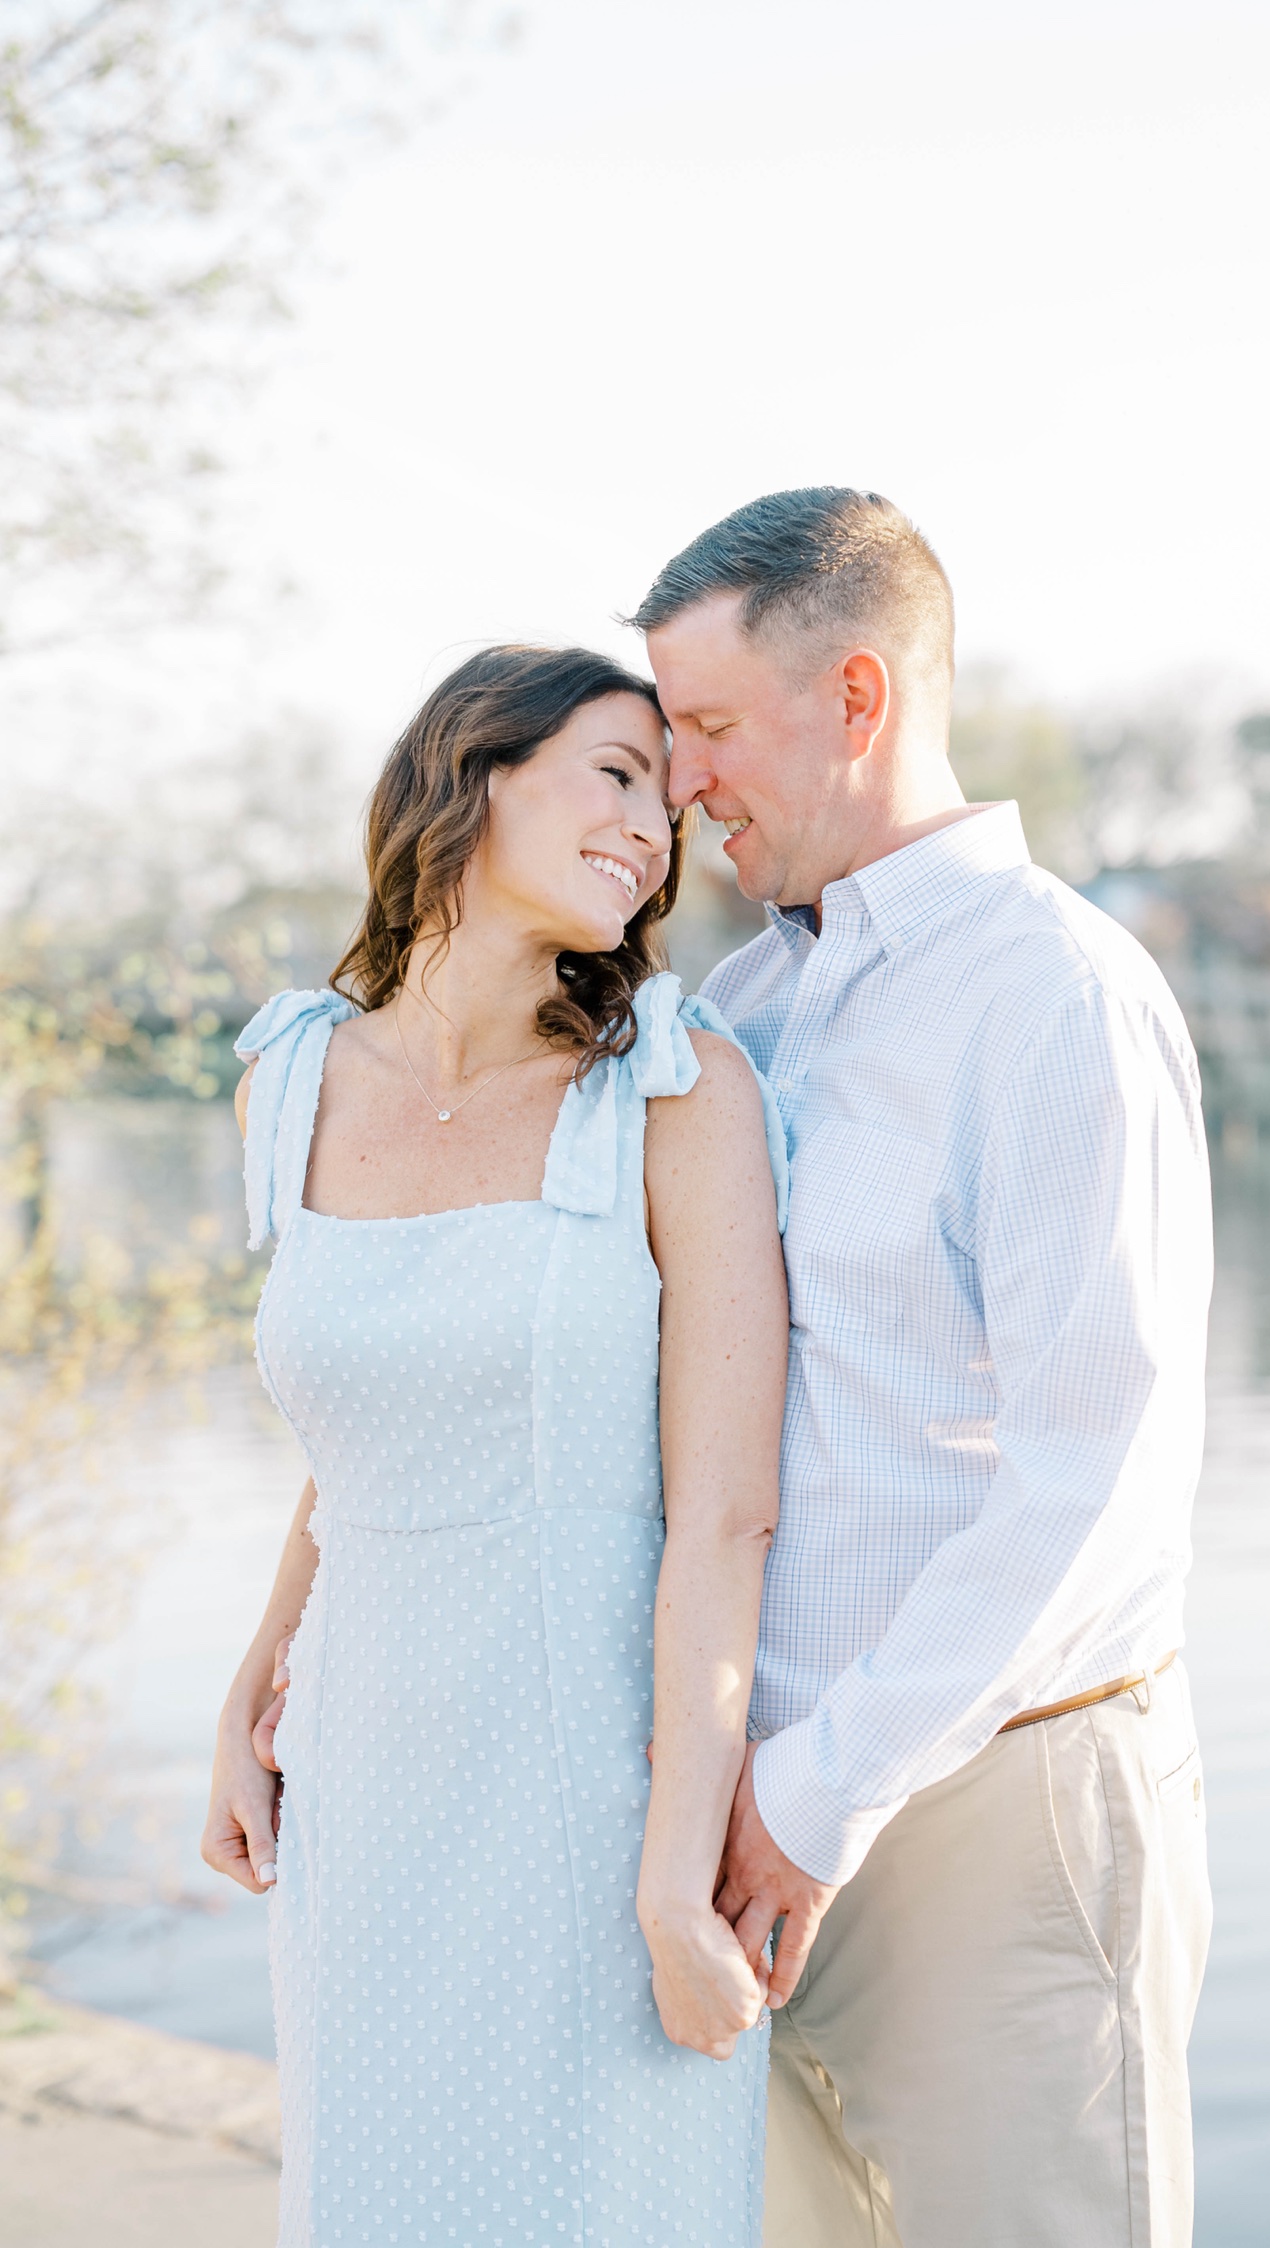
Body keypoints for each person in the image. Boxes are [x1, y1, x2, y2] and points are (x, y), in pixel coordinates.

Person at [631, 490, 1215, 2248]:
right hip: (757, 1817)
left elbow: (1091, 1479)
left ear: (861, 698)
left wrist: (812, 1798)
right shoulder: (748, 1010)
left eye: (713, 728)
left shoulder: (1055, 994)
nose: (681, 782)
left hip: (998, 1814)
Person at [200, 645, 789, 2247]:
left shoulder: (675, 1090)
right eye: (615, 770)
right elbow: (362, 1434)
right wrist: (257, 1678)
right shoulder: (289, 1077)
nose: (655, 825)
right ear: (472, 771)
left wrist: (678, 1875)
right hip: (361, 1782)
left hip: (588, 1791)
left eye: (668, 796)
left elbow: (728, 1512)